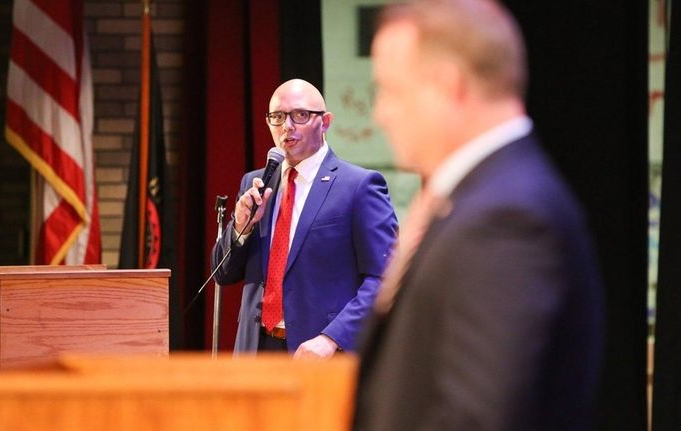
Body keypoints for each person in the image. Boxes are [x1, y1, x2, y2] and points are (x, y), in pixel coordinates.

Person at [353, 1, 604, 430]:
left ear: (449, 87)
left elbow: (479, 418)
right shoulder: (480, 200)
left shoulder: (507, 220)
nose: (381, 113)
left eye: (391, 90)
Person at [212, 79, 398, 358]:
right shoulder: (257, 183)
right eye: (277, 117)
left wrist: (332, 338)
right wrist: (241, 226)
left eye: (300, 115)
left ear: (325, 122)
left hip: (320, 353)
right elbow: (223, 275)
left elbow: (386, 278)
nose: (287, 126)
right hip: (255, 350)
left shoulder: (358, 186)